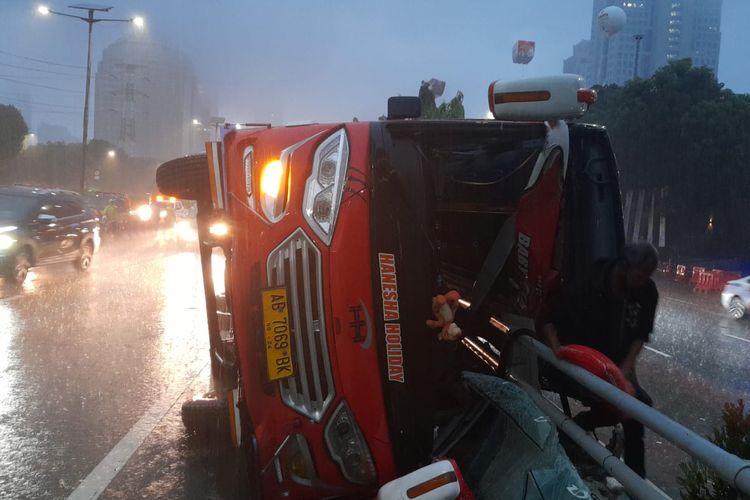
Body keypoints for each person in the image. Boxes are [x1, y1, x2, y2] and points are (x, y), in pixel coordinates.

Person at [542, 242, 659, 478]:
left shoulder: (647, 291)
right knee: (619, 406)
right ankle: (565, 437)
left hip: (616, 363)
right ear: (625, 267)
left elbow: (640, 335)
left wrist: (626, 368)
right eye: (638, 276)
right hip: (585, 358)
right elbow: (550, 316)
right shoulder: (593, 281)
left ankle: (636, 482)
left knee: (638, 408)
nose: (642, 282)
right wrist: (557, 348)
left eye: (647, 277)